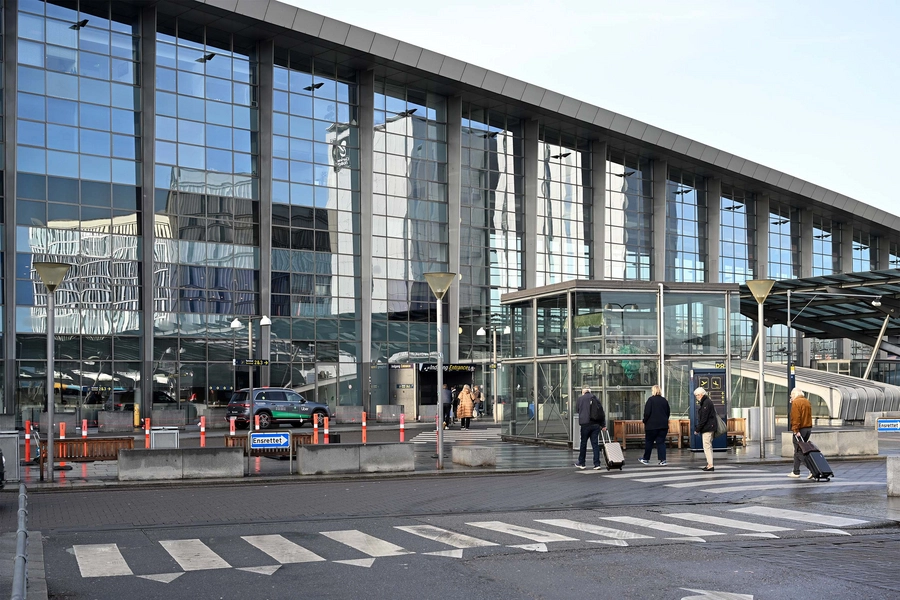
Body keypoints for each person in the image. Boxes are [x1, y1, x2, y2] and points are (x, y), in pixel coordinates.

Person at [575, 386, 606, 470]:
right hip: (596, 425)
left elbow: (577, 410)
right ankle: (597, 464)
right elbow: (601, 413)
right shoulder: (596, 399)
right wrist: (603, 425)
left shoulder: (580, 399)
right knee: (595, 444)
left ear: (583, 392)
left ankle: (582, 463)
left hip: (585, 424)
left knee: (583, 443)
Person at [639, 384, 671, 466]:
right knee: (661, 442)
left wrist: (645, 421)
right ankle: (663, 460)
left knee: (649, 442)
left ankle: (646, 459)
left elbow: (647, 413)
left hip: (651, 426)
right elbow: (668, 412)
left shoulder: (650, 400)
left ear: (653, 391)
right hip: (663, 426)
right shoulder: (664, 400)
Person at [788, 387, 813, 479]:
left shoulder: (796, 403)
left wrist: (795, 430)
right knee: (798, 450)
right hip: (808, 428)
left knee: (799, 452)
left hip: (800, 429)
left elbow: (796, 418)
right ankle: (796, 471)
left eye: (791, 396)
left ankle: (812, 469)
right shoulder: (807, 401)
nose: (791, 398)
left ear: (794, 395)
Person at [693, 387, 716, 472]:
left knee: (707, 446)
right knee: (709, 446)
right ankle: (709, 464)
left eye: (697, 395)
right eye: (696, 395)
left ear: (701, 394)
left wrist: (697, 429)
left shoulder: (706, 403)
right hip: (710, 427)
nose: (696, 397)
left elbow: (704, 418)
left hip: (707, 428)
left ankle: (710, 465)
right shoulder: (707, 401)